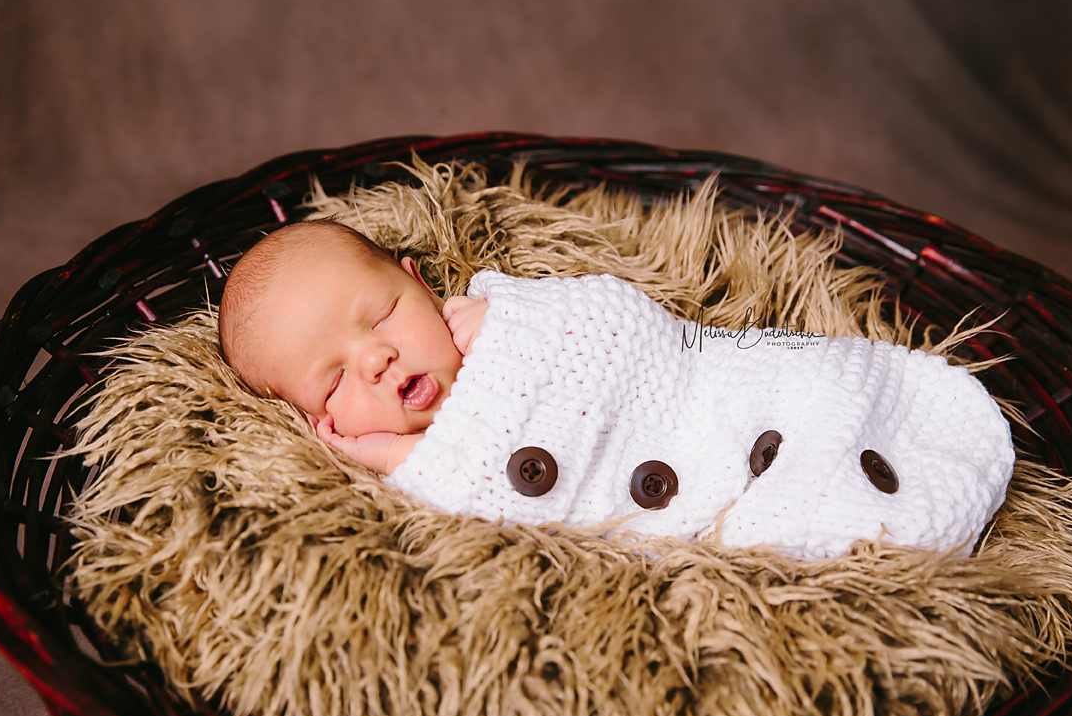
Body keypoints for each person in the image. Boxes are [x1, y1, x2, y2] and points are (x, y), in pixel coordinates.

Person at [219, 220, 1015, 559]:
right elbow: (499, 535)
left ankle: (872, 459)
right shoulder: (411, 476)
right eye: (335, 379)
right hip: (711, 510)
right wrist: (400, 460)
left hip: (745, 400)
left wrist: (513, 326)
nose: (376, 358)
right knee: (804, 538)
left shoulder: (513, 318)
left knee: (828, 427)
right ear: (317, 423)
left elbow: (629, 329)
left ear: (421, 285)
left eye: (381, 315)